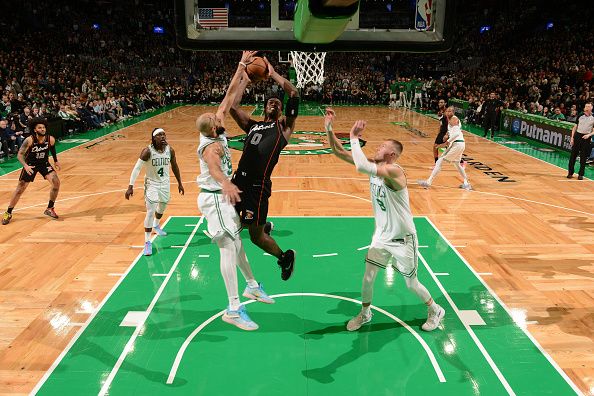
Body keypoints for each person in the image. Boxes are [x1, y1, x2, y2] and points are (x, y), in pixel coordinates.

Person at [324, 109, 445, 332]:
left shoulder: (394, 172)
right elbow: (338, 152)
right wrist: (329, 128)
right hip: (381, 236)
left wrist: (353, 136)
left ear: (392, 155)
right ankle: (365, 312)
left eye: (382, 147)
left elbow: (361, 165)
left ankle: (435, 309)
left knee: (411, 283)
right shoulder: (376, 168)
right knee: (368, 277)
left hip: (402, 238)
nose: (377, 148)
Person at [196, 51, 274, 331]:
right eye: (217, 120)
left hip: (223, 198)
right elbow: (214, 167)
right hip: (215, 197)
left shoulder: (215, 125)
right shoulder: (211, 146)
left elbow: (229, 96)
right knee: (228, 248)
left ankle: (252, 286)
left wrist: (242, 68)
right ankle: (232, 308)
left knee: (238, 244)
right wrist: (226, 182)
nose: (221, 118)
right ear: (213, 129)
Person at [228, 52, 298, 281]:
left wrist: (273, 74)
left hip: (257, 186)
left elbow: (293, 93)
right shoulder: (253, 126)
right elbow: (232, 107)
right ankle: (262, 223)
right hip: (238, 180)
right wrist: (245, 81)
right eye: (270, 101)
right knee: (231, 223)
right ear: (264, 107)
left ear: (280, 110)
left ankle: (284, 256)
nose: (274, 103)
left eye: (277, 103)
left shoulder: (284, 128)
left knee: (255, 237)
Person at [125, 127, 184, 255]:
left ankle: (156, 225)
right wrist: (130, 186)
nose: (163, 137)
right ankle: (147, 242)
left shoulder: (170, 150)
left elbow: (175, 166)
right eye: (159, 135)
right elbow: (136, 169)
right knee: (150, 211)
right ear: (154, 138)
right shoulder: (147, 151)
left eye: (164, 134)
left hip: (165, 183)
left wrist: (180, 183)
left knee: (163, 205)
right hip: (152, 184)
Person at [2, 118, 61, 225]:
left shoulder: (50, 139)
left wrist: (56, 161)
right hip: (31, 165)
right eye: (40, 128)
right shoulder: (29, 140)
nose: (42, 129)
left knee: (56, 183)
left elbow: (52, 148)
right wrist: (25, 166)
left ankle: (50, 208)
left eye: (43, 127)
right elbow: (19, 155)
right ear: (35, 129)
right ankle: (8, 212)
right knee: (20, 189)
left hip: (44, 164)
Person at [418, 107, 472, 190]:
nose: (448, 112)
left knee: (440, 161)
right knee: (457, 164)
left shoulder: (454, 119)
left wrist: (447, 142)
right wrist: (447, 135)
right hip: (459, 144)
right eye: (447, 111)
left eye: (450, 111)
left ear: (453, 112)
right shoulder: (450, 120)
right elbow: (453, 132)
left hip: (457, 144)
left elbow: (457, 133)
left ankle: (428, 182)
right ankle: (466, 183)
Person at [567, 103, 594, 180]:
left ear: (591, 108)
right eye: (586, 106)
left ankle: (581, 174)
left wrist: (589, 135)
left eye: (588, 106)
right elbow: (575, 127)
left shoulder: (593, 117)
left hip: (586, 138)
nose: (586, 108)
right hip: (577, 136)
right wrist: (572, 138)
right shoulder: (580, 115)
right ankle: (570, 173)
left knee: (583, 157)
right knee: (573, 156)